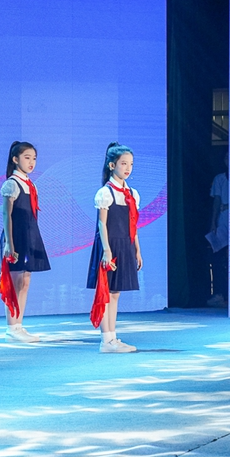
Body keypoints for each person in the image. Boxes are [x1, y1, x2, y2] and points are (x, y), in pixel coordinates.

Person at [86, 142, 143, 353]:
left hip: (125, 244)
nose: (128, 168)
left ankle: (112, 337)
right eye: (123, 163)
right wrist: (107, 250)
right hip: (109, 245)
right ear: (112, 165)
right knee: (105, 292)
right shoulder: (106, 192)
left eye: (131, 164)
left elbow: (133, 224)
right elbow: (102, 224)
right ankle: (106, 340)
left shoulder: (132, 193)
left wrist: (137, 249)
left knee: (115, 293)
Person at [0, 141, 50, 341]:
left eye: (34, 158)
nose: (31, 162)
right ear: (15, 159)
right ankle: (12, 328)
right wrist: (9, 243)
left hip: (29, 236)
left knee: (25, 282)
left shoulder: (30, 184)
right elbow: (6, 215)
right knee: (15, 283)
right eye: (27, 158)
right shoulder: (12, 184)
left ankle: (18, 325)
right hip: (16, 237)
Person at [206, 151, 229, 307]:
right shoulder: (219, 179)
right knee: (220, 260)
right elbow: (217, 201)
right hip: (223, 223)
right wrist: (213, 222)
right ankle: (220, 295)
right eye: (226, 157)